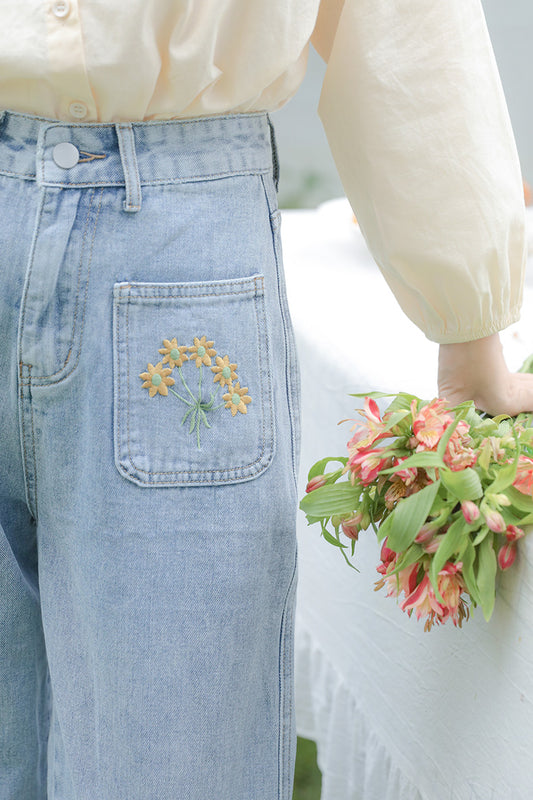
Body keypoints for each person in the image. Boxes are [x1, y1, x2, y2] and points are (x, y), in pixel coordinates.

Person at [0, 2, 531, 799]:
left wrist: (468, 320)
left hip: (174, 242)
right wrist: (470, 339)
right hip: (177, 230)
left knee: (173, 759)